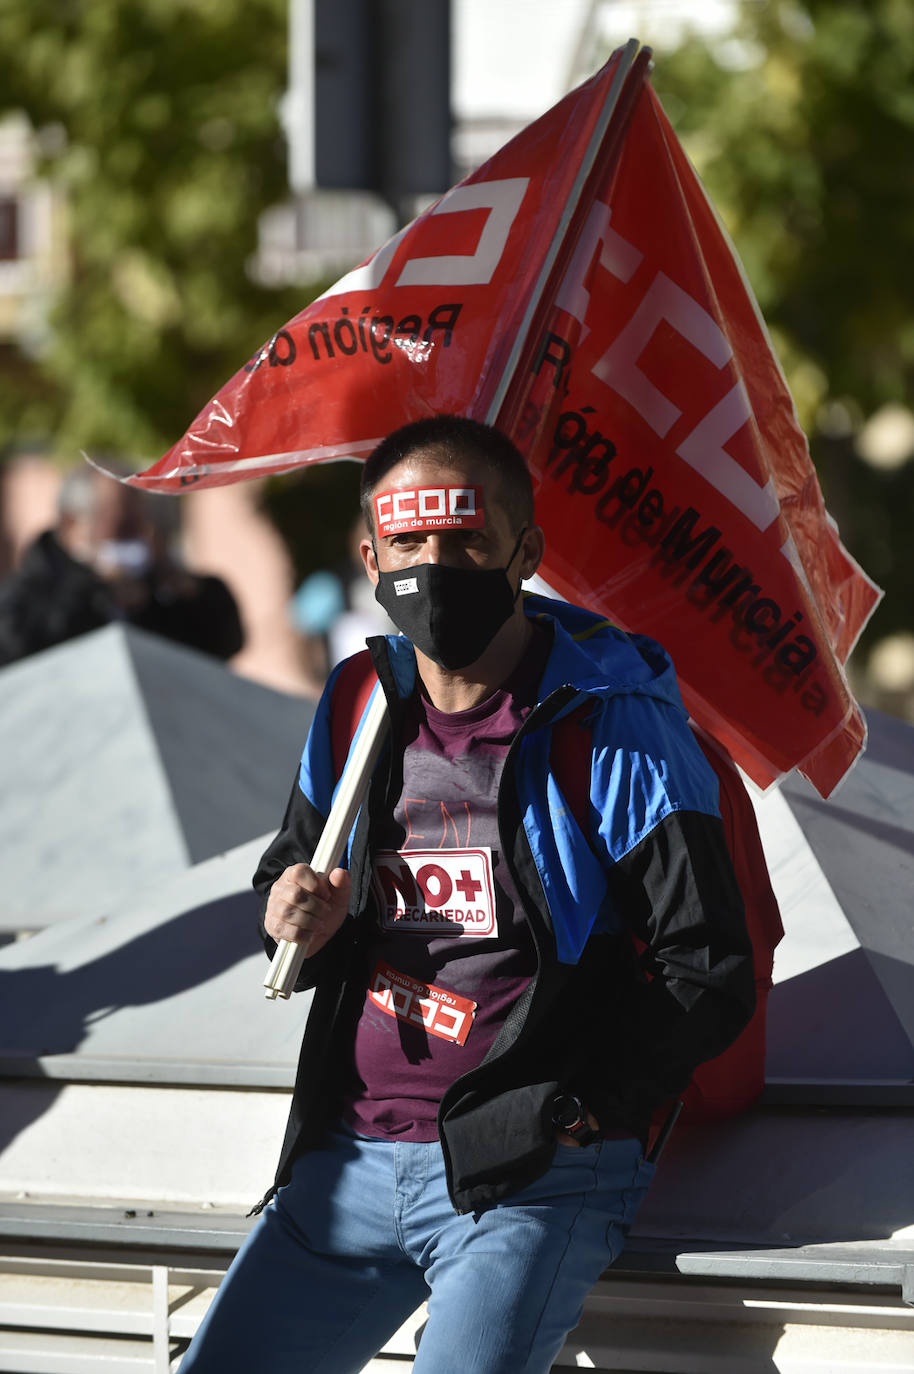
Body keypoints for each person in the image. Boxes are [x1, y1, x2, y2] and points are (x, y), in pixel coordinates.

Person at [181, 415, 755, 1373]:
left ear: (525, 553)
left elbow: (708, 966)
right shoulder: (358, 700)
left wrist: (573, 1116)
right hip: (344, 1167)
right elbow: (292, 885)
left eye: (467, 541)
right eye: (408, 542)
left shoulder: (616, 723)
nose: (434, 568)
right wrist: (290, 915)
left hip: (525, 1184)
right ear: (370, 557)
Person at [0, 463, 243, 666]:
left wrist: (183, 592)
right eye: (120, 525)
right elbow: (19, 650)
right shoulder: (25, 599)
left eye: (141, 521)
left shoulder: (157, 583)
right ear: (72, 524)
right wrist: (97, 595)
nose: (137, 537)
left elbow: (225, 644)